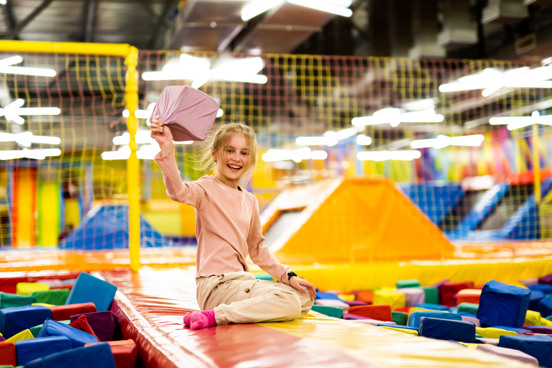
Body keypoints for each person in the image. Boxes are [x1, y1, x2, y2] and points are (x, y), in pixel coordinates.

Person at [150, 116, 316, 330]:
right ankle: (214, 315)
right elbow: (178, 192)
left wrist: (288, 276)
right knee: (289, 303)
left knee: (304, 298)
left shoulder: (249, 200)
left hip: (241, 282)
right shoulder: (206, 188)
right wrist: (167, 148)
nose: (236, 158)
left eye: (244, 153)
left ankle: (236, 309)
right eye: (230, 150)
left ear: (250, 159)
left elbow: (257, 249)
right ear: (215, 153)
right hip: (217, 285)